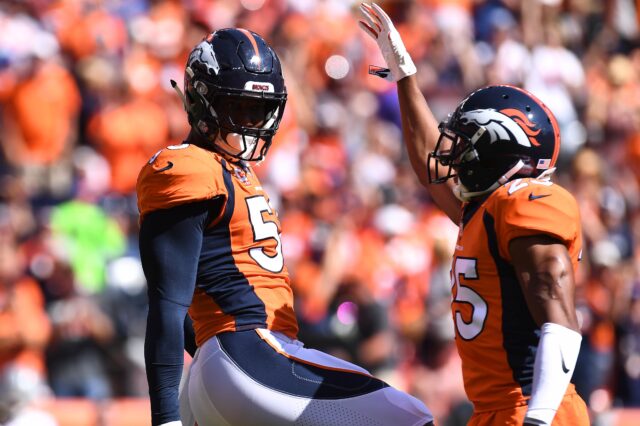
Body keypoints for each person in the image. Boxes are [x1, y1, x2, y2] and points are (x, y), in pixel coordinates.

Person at [136, 28, 434, 426]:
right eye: (238, 108)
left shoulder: (233, 171)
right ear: (201, 99)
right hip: (245, 353)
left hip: (234, 360)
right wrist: (167, 416)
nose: (250, 123)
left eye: (259, 110)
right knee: (409, 417)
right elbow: (168, 306)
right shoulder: (187, 166)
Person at [358, 3, 589, 426]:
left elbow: (557, 307)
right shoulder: (483, 211)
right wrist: (406, 77)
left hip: (534, 408)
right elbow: (430, 167)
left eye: (467, 143)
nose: (453, 153)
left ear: (503, 150)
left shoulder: (527, 200)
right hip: (495, 411)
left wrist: (538, 418)